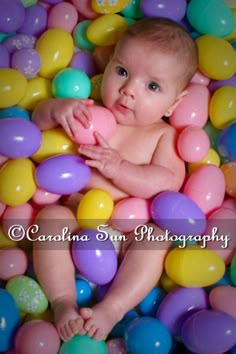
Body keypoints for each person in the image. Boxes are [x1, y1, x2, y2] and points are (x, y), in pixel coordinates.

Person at [32, 17, 198, 342]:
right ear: (107, 67)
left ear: (175, 103)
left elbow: (167, 184)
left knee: (155, 240)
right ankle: (63, 301)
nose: (128, 91)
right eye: (122, 72)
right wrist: (55, 110)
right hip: (77, 223)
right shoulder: (89, 110)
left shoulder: (163, 136)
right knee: (50, 218)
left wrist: (120, 169)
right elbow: (34, 128)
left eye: (152, 86)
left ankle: (113, 307)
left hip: (126, 236)